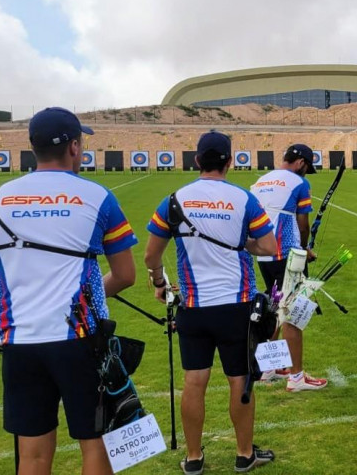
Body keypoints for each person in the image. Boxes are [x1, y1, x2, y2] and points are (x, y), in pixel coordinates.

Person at [0, 107, 137, 475]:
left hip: (21, 343)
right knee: (95, 446)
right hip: (81, 341)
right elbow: (125, 275)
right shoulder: (98, 197)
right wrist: (90, 300)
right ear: (74, 147)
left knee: (34, 456)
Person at [144, 131, 278, 474]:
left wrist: (160, 282)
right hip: (238, 307)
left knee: (195, 380)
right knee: (240, 379)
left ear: (197, 161)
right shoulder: (243, 198)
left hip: (193, 307)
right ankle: (244, 454)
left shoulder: (174, 201)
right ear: (230, 162)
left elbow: (151, 254)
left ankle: (192, 458)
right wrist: (238, 243)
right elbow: (268, 246)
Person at [249, 144, 328, 392]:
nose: (306, 173)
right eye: (307, 168)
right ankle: (296, 377)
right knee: (294, 313)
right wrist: (304, 251)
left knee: (276, 310)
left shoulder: (260, 181)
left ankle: (269, 368)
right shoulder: (298, 182)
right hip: (288, 256)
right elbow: (302, 225)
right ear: (301, 162)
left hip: (264, 255)